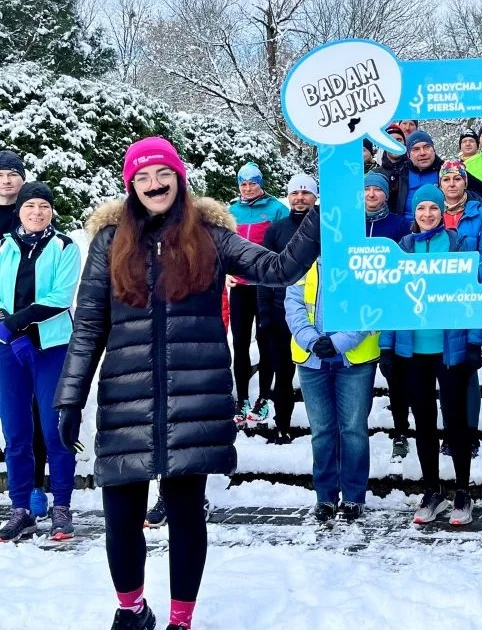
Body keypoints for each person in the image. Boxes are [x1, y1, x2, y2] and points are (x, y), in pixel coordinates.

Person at [54, 136, 323, 630]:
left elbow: (278, 268)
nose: (154, 184)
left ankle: (181, 619)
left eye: (163, 174)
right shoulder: (110, 242)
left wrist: (320, 220)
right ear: (130, 185)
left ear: (180, 178)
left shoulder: (213, 236)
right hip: (126, 396)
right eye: (142, 177)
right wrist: (70, 396)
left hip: (193, 398)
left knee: (185, 515)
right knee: (120, 512)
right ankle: (131, 610)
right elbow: (89, 323)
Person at [379, 184, 482, 527]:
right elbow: (391, 302)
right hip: (413, 351)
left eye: (433, 209)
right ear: (415, 212)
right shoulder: (403, 248)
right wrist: (386, 346)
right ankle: (432, 489)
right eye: (422, 208)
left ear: (443, 212)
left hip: (449, 349)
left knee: (455, 422)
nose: (427, 214)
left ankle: (463, 491)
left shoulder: (458, 245)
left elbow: (473, 297)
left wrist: (474, 341)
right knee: (423, 422)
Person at [0, 182, 80, 542]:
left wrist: (17, 321)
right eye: (30, 205)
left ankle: (61, 506)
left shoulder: (64, 246)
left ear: (51, 211)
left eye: (44, 206)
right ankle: (20, 509)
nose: (37, 212)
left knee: (54, 429)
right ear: (19, 210)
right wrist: (8, 328)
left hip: (52, 347)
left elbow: (60, 297)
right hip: (7, 348)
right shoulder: (3, 247)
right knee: (16, 432)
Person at [286, 250, 380, 524]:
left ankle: (353, 497)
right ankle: (325, 497)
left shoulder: (363, 255)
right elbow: (293, 304)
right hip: (311, 358)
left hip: (353, 358)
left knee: (353, 430)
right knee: (322, 431)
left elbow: (371, 306)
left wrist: (340, 342)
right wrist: (311, 340)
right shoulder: (303, 259)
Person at [0, 149, 50, 519]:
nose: (6, 180)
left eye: (13, 173)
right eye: (1, 174)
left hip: (31, 330)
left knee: (32, 409)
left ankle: (34, 486)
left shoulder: (36, 214)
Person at [437, 160, 482, 458]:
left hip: (470, 298)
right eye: (446, 178)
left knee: (466, 368)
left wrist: (470, 279)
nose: (451, 183)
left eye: (456, 178)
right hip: (436, 300)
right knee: (443, 366)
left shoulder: (481, 214)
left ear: (465, 183)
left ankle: (469, 433)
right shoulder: (429, 212)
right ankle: (449, 431)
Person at [256, 174, 320, 445]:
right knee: (282, 374)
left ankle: (323, 429)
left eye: (306, 193)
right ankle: (282, 425)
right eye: (295, 193)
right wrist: (264, 314)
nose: (300, 198)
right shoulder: (276, 230)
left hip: (318, 315)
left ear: (315, 197)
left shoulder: (326, 227)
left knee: (317, 374)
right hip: (282, 313)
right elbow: (264, 273)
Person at [227, 162, 290, 426]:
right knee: (240, 343)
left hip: (266, 287)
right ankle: (242, 398)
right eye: (244, 183)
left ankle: (264, 398)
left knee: (267, 342)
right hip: (240, 286)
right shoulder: (231, 211)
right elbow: (222, 246)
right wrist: (224, 270)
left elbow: (286, 243)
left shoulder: (277, 209)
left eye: (253, 183)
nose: (249, 188)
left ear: (261, 183)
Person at [362, 171, 413, 460]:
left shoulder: (399, 224)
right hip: (358, 313)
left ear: (385, 194)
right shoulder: (350, 224)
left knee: (394, 373)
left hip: (391, 310)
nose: (371, 194)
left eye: (377, 190)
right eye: (367, 189)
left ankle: (400, 431)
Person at [387, 130, 482, 221]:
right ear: (408, 154)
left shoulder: (448, 169)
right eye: (416, 149)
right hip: (405, 233)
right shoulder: (400, 173)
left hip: (442, 232)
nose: (422, 153)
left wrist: (464, 207)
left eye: (427, 147)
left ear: (434, 150)